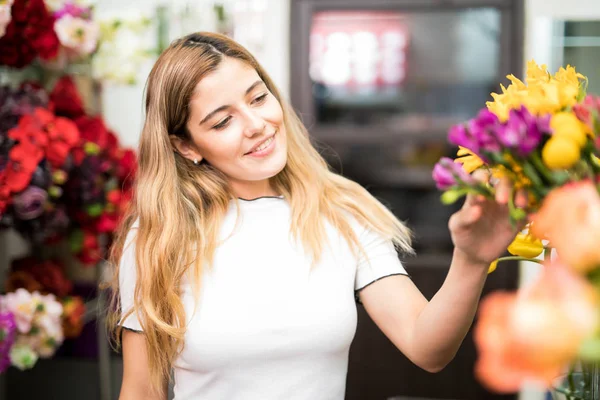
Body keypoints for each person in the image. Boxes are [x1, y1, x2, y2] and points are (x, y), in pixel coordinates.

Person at [107, 32, 526, 400]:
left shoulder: (341, 210)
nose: (257, 124)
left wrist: (470, 259)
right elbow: (142, 391)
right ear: (186, 147)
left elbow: (427, 347)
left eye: (258, 98)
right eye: (222, 122)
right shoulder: (158, 237)